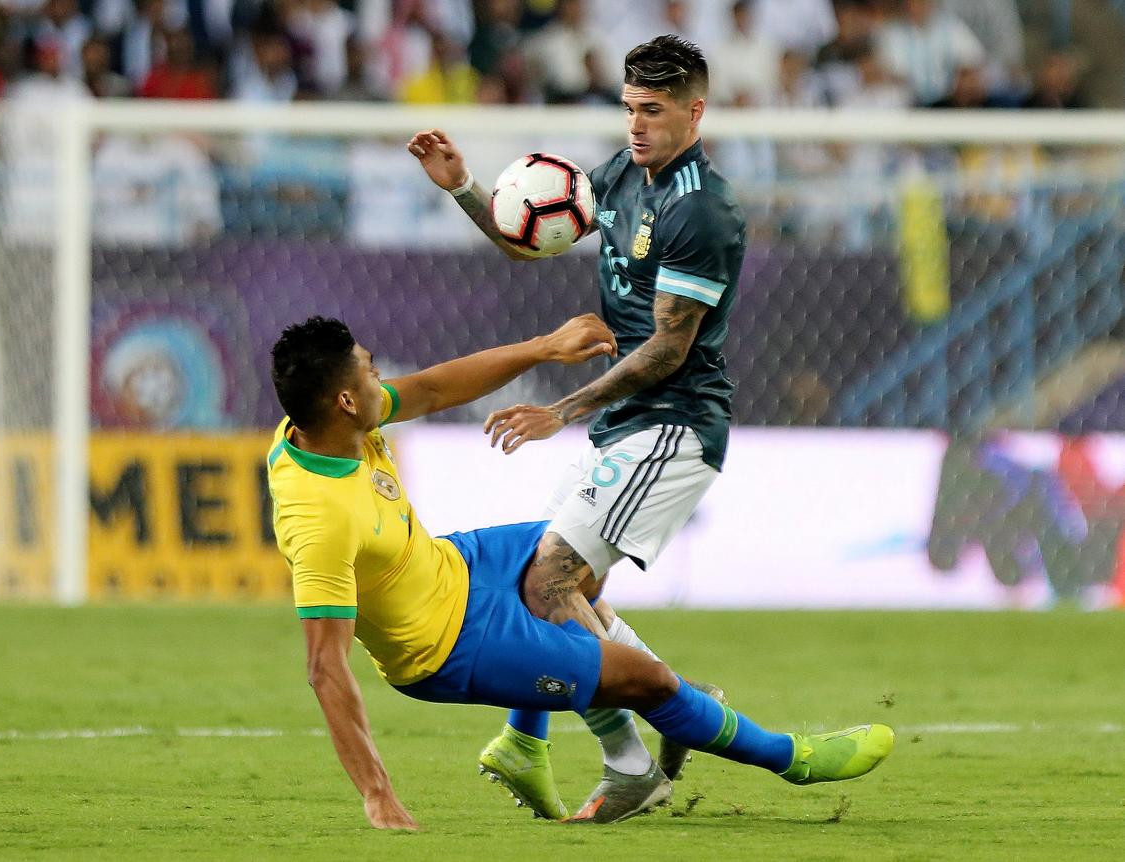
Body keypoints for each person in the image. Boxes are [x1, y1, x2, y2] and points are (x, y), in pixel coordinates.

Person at [267, 313, 895, 830]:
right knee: (649, 682)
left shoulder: (328, 426)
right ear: (346, 400)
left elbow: (432, 388)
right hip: (452, 645)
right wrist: (377, 792)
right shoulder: (320, 521)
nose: (386, 377)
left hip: (460, 564)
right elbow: (325, 666)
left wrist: (544, 347)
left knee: (577, 555)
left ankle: (524, 743)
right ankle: (793, 759)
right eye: (373, 370)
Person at [408, 34, 754, 823]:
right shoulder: (623, 174)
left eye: (653, 110)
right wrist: (462, 188)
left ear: (694, 111)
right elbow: (528, 242)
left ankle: (628, 762)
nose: (636, 125)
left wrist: (558, 411)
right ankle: (682, 701)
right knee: (561, 592)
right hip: (624, 426)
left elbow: (671, 346)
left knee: (546, 582)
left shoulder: (701, 208)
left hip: (674, 426)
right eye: (630, 107)